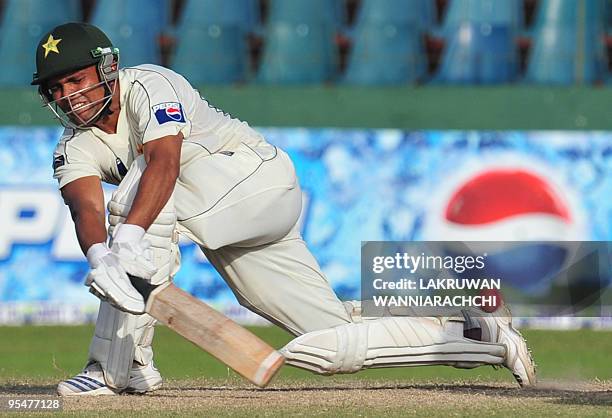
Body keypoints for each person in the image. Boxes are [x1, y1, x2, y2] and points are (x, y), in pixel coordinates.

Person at [32, 22, 536, 396]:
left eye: (77, 81)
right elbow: (83, 207)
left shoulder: (151, 84)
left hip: (255, 180)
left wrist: (123, 244)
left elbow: (164, 163)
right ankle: (480, 336)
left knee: (137, 204)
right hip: (226, 222)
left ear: (107, 67)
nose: (70, 97)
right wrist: (99, 255)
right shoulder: (72, 144)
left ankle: (116, 367)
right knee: (332, 343)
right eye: (57, 89)